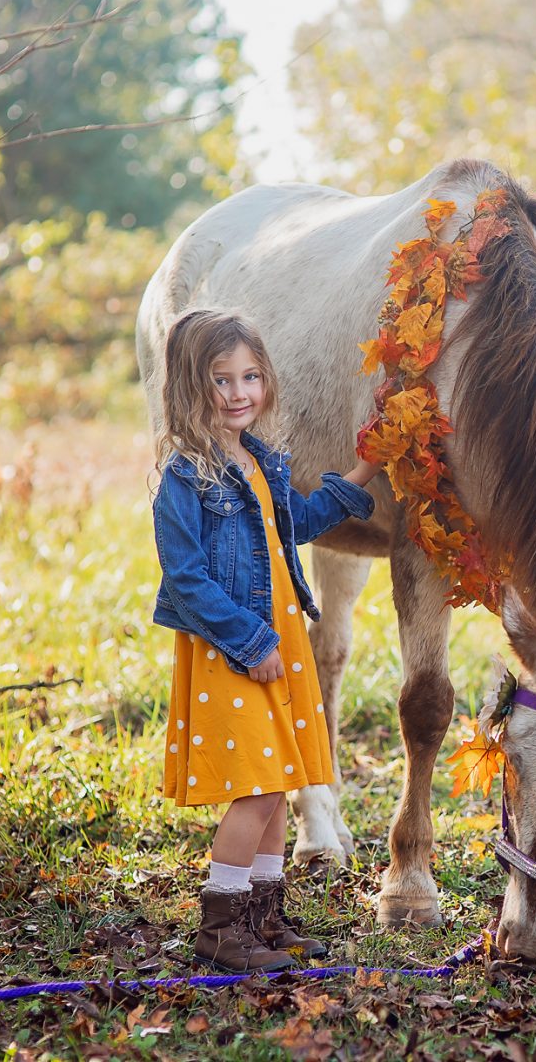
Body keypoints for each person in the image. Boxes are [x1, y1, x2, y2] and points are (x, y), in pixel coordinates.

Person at [149, 308, 379, 972]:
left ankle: (264, 917)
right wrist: (251, 641)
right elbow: (186, 579)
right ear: (190, 390)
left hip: (279, 640)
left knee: (278, 781)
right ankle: (220, 927)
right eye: (221, 380)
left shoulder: (263, 462)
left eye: (251, 376)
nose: (239, 392)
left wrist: (361, 475)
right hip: (236, 647)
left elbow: (298, 524)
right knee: (253, 785)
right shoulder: (185, 479)